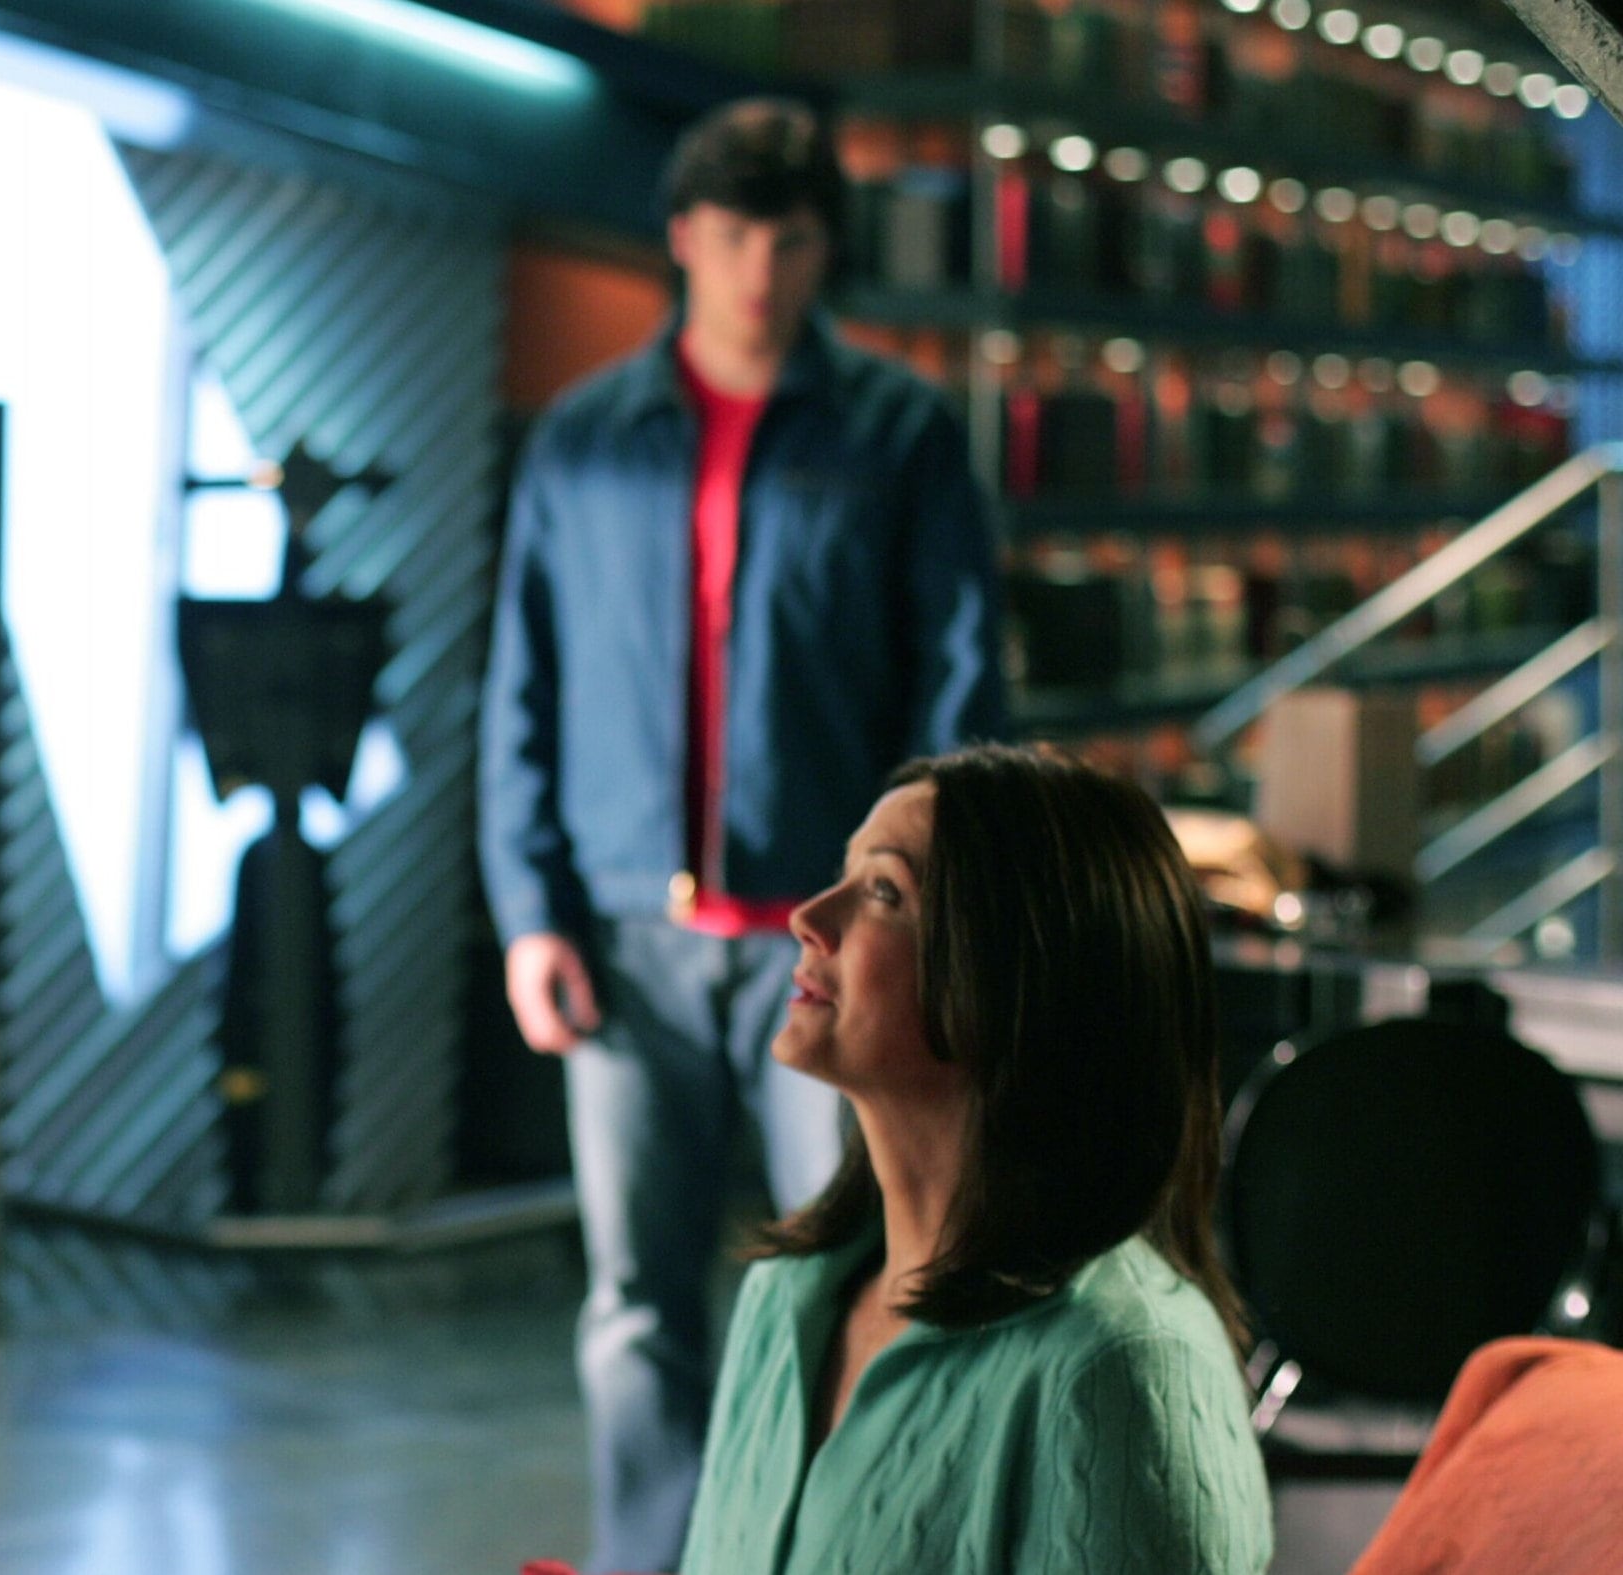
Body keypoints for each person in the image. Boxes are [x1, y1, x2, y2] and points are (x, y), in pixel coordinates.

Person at [477, 96, 1008, 1571]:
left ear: (825, 249)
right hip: (624, 938)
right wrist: (529, 911)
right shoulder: (586, 440)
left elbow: (961, 693)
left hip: (827, 944)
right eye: (729, 236)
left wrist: (920, 915)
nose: (757, 270)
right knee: (634, 1305)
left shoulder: (900, 435)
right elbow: (521, 685)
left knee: (852, 1284)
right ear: (681, 240)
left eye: (788, 240)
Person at [681, 746, 1273, 1573]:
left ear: (1016, 974)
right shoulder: (783, 1296)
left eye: (884, 891)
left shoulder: (1120, 1371)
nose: (808, 917)